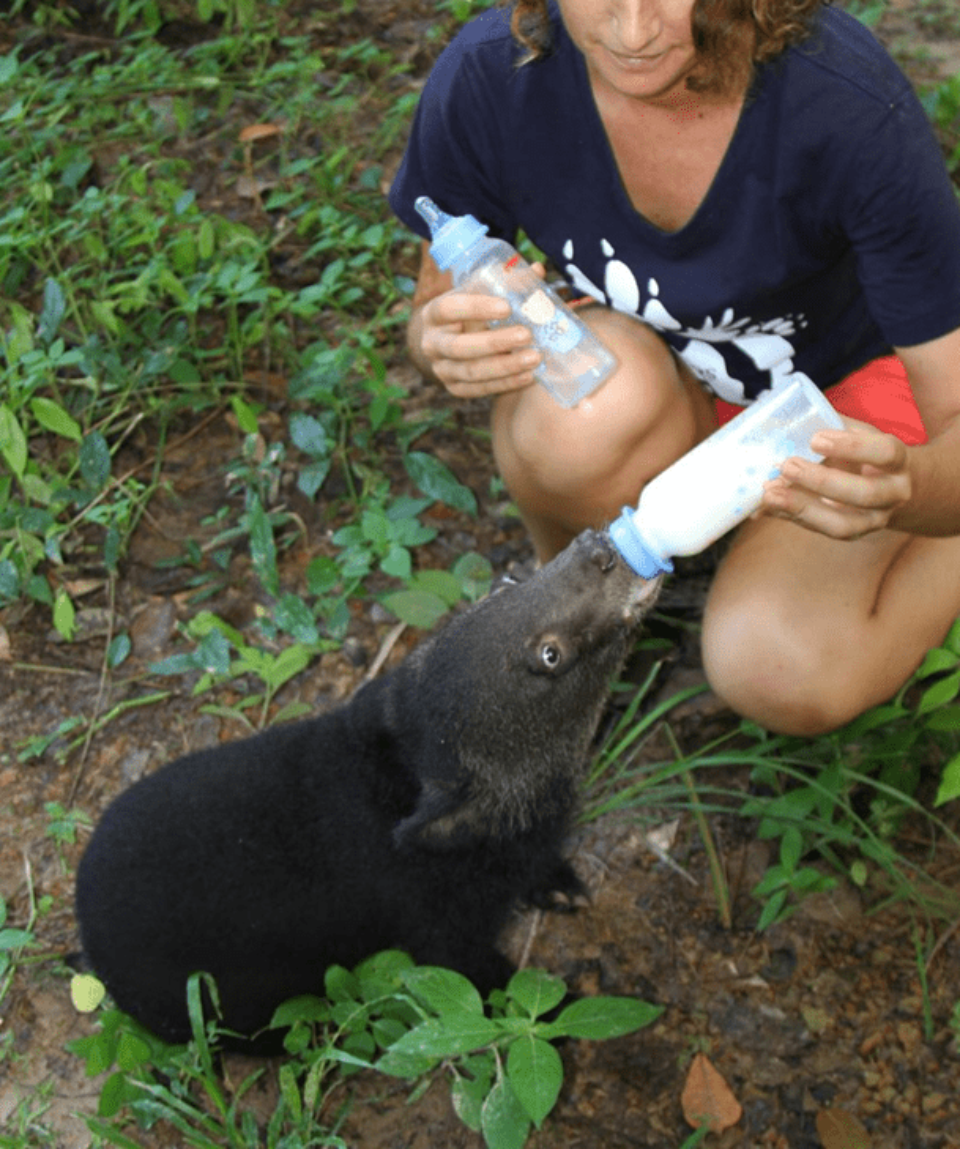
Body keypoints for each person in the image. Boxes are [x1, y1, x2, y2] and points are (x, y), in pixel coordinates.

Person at [388, 0, 960, 738]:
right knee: (582, 415)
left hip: (848, 394)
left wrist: (906, 490)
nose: (632, 32)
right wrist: (438, 339)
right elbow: (439, 294)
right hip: (676, 373)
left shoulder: (843, 104)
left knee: (777, 661)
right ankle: (584, 615)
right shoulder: (498, 73)